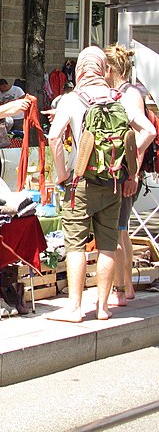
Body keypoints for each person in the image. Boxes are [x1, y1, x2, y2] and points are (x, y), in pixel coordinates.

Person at [46, 46, 154, 322]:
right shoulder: (118, 97)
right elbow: (150, 131)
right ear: (103, 68)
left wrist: (61, 174)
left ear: (81, 69)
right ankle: (104, 307)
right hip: (113, 183)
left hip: (80, 183)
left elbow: (55, 138)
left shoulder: (72, 99)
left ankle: (74, 308)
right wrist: (128, 166)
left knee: (75, 245)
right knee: (107, 244)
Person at [104, 44, 154, 307]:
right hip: (128, 174)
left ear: (110, 69)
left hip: (126, 175)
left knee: (117, 231)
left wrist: (132, 168)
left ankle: (119, 291)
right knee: (122, 232)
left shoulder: (127, 95)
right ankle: (128, 288)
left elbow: (147, 133)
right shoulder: (127, 92)